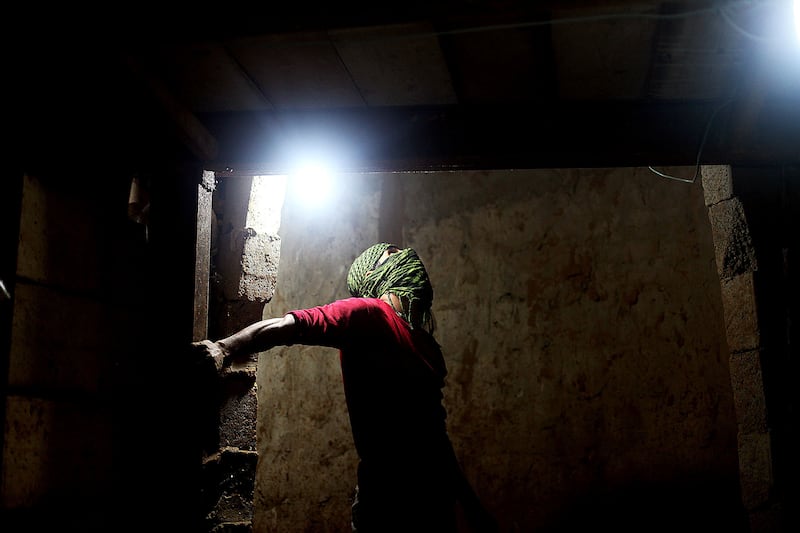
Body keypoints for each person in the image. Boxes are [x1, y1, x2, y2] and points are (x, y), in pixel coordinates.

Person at [192, 242, 497, 532]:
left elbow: (436, 437)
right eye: (394, 254)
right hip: (388, 500)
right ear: (376, 276)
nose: (407, 254)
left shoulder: (427, 347)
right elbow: (292, 325)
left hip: (434, 501)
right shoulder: (369, 314)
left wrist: (471, 506)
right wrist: (225, 348)